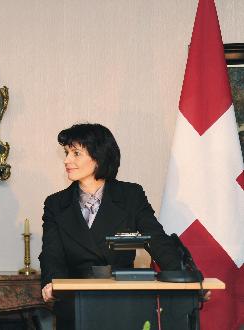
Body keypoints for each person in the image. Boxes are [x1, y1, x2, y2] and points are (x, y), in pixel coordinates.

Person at [38, 123, 182, 325]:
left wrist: (185, 279)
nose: (67, 160)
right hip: (75, 304)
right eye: (66, 153)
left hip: (124, 300)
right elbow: (52, 253)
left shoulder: (131, 195)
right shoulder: (55, 203)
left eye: (76, 153)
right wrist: (50, 283)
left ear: (99, 157)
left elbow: (156, 240)